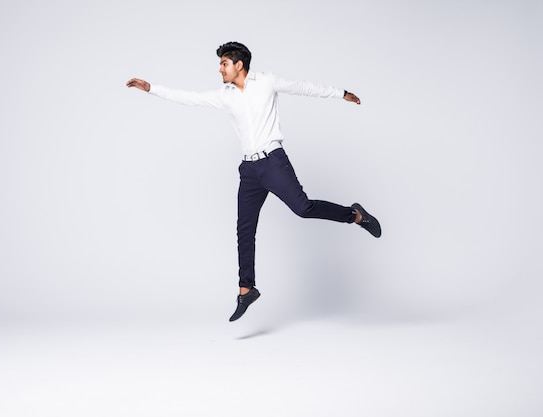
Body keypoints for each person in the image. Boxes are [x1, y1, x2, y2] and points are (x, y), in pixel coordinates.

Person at [126, 41, 381, 322]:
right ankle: (246, 289)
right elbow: (190, 98)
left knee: (303, 208)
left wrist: (341, 93)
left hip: (273, 162)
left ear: (239, 65)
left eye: (224, 63)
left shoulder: (267, 81)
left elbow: (304, 87)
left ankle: (355, 216)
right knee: (244, 230)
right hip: (249, 170)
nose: (220, 69)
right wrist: (152, 89)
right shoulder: (225, 95)